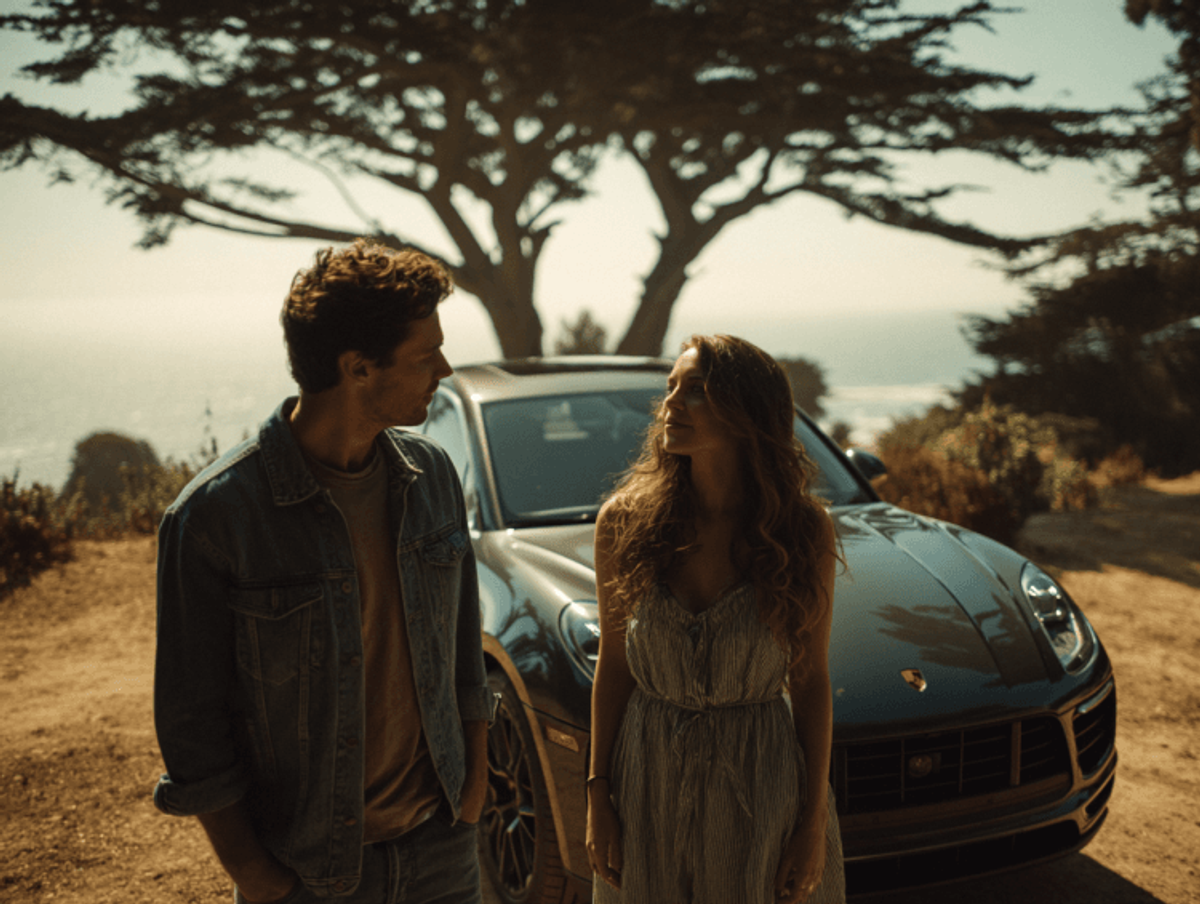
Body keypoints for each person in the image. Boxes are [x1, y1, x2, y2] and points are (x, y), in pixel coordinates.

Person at [153, 239, 494, 904]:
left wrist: (472, 790)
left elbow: (462, 655)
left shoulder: (432, 480)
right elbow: (192, 723)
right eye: (426, 356)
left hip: (441, 850)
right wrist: (254, 874)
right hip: (307, 874)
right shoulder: (214, 518)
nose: (445, 370)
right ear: (358, 367)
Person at [586, 334, 846, 904]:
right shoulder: (624, 523)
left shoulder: (802, 532)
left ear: (747, 411)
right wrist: (597, 795)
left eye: (695, 390)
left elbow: (811, 683)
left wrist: (811, 825)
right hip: (647, 784)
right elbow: (614, 668)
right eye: (671, 388)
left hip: (761, 786)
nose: (670, 404)